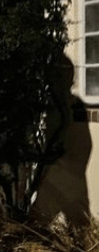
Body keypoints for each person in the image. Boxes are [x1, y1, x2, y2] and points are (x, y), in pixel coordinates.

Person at [28, 53, 93, 238]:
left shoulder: (71, 106)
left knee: (35, 227)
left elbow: (82, 143)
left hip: (60, 174)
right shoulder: (66, 105)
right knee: (80, 230)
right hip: (69, 175)